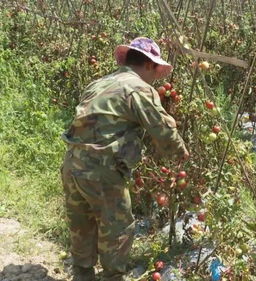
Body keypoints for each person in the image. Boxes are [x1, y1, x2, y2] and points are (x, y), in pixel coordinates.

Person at [61, 37, 189, 281]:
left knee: (82, 224)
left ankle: (82, 274)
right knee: (117, 228)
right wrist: (180, 153)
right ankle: (112, 277)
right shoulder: (138, 87)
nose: (156, 79)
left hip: (72, 164)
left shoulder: (99, 83)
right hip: (102, 168)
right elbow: (161, 128)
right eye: (156, 72)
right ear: (150, 65)